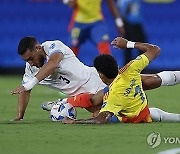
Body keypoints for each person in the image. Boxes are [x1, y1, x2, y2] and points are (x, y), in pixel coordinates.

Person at [11, 36, 180, 121]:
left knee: (148, 82)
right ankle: (64, 104)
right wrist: (20, 115)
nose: (31, 63)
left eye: (31, 58)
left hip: (96, 78)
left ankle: (61, 104)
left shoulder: (52, 46)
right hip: (87, 99)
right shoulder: (30, 70)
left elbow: (54, 63)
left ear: (38, 48)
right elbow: (25, 91)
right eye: (27, 61)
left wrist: (31, 83)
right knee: (128, 115)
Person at [62, 37, 180, 124]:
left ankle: (63, 102)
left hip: (134, 116)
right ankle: (64, 101)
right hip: (141, 105)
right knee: (153, 79)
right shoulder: (130, 68)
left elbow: (100, 120)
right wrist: (128, 43)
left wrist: (75, 121)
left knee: (97, 108)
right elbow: (155, 49)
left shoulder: (113, 97)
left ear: (101, 75)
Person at [116, 0, 146, 65]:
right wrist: (122, 25)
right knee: (128, 47)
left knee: (141, 46)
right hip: (129, 24)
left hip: (137, 24)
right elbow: (122, 11)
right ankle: (129, 67)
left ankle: (137, 66)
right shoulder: (125, 1)